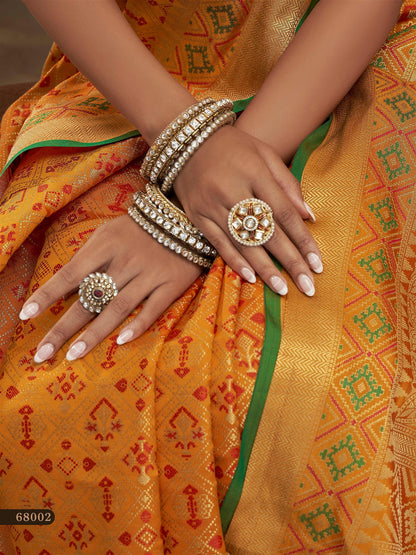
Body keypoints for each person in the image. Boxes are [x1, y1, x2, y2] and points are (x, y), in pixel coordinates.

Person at [0, 0, 414, 552]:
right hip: (132, 71)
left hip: (349, 57)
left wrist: (201, 196)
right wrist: (188, 148)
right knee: (52, 395)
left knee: (327, 410)